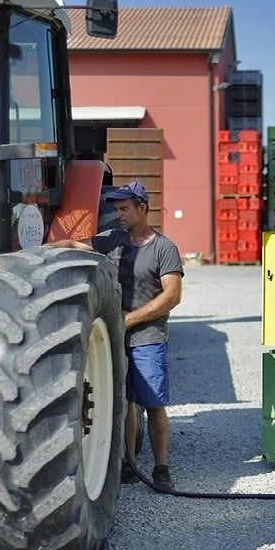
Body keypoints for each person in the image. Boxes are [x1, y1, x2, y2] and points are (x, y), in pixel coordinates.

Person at [51, 181, 183, 490]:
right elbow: (74, 245)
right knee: (124, 402)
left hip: (148, 336)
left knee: (152, 403)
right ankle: (129, 464)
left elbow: (173, 296)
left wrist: (132, 318)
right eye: (116, 209)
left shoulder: (164, 248)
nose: (118, 214)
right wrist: (40, 252)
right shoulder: (112, 240)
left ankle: (161, 468)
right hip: (117, 335)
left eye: (124, 209)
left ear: (142, 208)